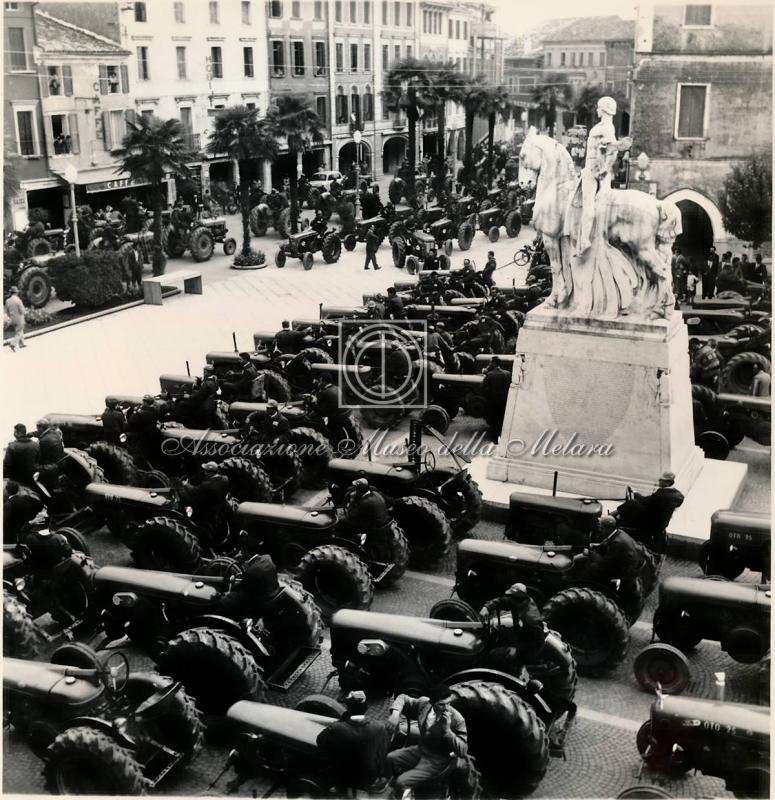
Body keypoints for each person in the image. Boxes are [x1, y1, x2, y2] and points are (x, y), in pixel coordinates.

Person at [387, 685, 468, 793]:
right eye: (442, 704)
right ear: (432, 703)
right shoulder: (424, 703)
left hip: (437, 760)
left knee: (401, 782)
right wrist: (395, 714)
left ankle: (405, 789)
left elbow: (463, 750)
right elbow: (403, 697)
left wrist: (448, 731)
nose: (447, 708)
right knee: (390, 758)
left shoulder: (457, 719)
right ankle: (406, 785)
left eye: (449, 703)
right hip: (421, 750)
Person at [315, 691, 390, 795]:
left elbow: (320, 741)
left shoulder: (336, 728)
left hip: (343, 779)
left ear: (348, 708)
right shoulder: (380, 728)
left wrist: (343, 718)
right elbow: (382, 754)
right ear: (366, 708)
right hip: (368, 779)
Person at [573, 96, 618, 256]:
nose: (597, 110)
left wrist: (605, 169)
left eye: (599, 107)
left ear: (605, 109)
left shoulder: (607, 128)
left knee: (588, 203)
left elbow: (612, 151)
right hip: (590, 166)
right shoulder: (602, 126)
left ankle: (584, 239)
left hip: (594, 169)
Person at [616, 472, 684, 553]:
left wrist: (635, 492)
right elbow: (651, 502)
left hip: (652, 523)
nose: (659, 481)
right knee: (634, 503)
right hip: (661, 522)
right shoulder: (677, 494)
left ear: (667, 482)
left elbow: (645, 500)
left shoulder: (662, 495)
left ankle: (615, 518)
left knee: (632, 503)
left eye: (661, 480)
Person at [481, 582, 547, 665]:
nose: (508, 598)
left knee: (492, 655)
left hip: (527, 649)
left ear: (516, 599)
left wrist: (516, 648)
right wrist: (487, 607)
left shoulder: (531, 619)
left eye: (510, 597)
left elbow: (537, 642)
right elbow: (503, 600)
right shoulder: (521, 601)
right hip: (519, 635)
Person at [178, 461, 230, 527]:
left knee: (181, 492)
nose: (204, 473)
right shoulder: (225, 479)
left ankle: (183, 513)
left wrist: (185, 484)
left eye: (206, 471)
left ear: (211, 472)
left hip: (205, 510)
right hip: (217, 505)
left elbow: (194, 491)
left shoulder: (206, 485)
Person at [481, 356, 511, 441]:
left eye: (490, 362)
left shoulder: (489, 375)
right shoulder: (508, 374)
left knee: (493, 421)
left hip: (493, 403)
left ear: (494, 363)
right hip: (505, 402)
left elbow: (482, 388)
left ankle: (494, 440)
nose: (489, 364)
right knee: (502, 420)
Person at [5, 287, 26, 352]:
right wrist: (25, 312)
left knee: (18, 330)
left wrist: (10, 316)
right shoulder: (18, 300)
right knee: (19, 332)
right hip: (19, 318)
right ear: (16, 293)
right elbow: (22, 310)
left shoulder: (7, 301)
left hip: (12, 318)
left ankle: (21, 344)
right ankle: (13, 344)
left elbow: (6, 311)